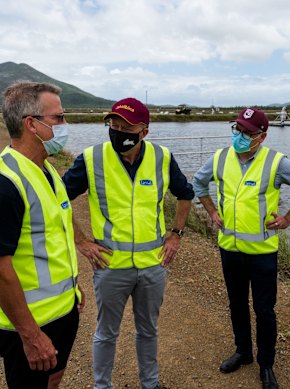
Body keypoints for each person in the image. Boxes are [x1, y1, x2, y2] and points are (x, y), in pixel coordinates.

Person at [62, 97, 194, 389]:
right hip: (110, 265)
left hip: (153, 265)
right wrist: (81, 241)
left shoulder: (162, 158)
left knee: (148, 330)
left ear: (143, 131)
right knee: (106, 332)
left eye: (126, 127)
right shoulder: (92, 158)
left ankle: (150, 383)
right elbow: (58, 201)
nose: (118, 131)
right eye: (114, 124)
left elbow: (186, 194)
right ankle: (102, 386)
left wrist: (176, 234)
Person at [192, 107, 290, 389]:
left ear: (261, 136)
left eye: (247, 132)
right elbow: (198, 184)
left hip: (262, 253)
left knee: (264, 310)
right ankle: (243, 352)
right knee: (236, 304)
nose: (239, 135)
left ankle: (266, 365)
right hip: (230, 249)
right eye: (237, 129)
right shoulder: (220, 157)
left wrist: (287, 219)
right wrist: (211, 211)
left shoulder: (276, 162)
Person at [0, 82, 84, 389]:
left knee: (54, 378)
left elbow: (53, 236)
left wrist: (73, 288)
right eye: (59, 118)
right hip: (29, 324)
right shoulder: (1, 184)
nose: (65, 125)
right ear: (32, 124)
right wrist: (31, 334)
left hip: (62, 310)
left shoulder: (47, 172)